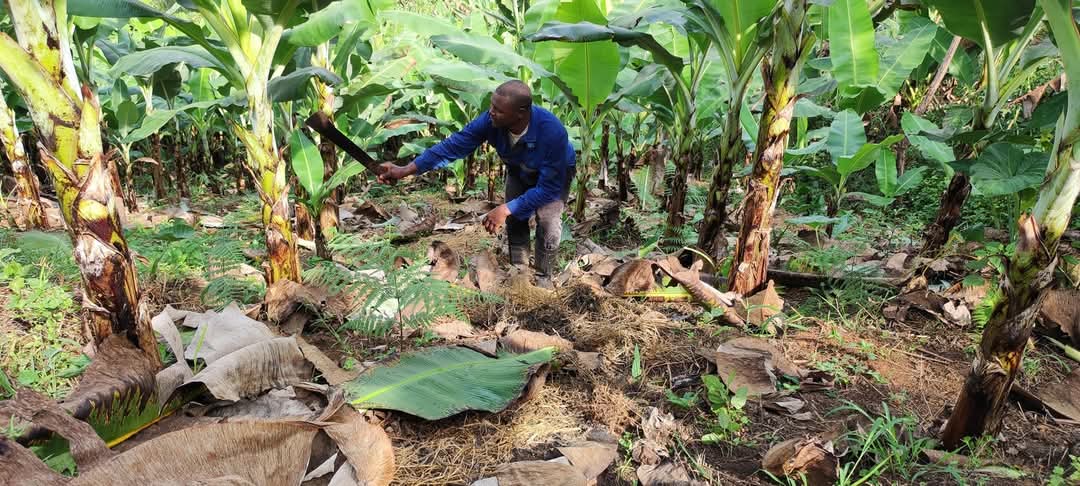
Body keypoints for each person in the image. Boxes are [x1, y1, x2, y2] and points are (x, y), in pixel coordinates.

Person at [377, 80, 576, 288]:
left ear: (521, 113)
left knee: (548, 220)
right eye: (492, 106)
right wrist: (405, 170)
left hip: (555, 173)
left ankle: (544, 278)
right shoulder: (490, 121)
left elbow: (548, 189)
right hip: (518, 167)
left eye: (498, 110)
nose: (491, 112)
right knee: (516, 218)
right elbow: (452, 146)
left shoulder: (552, 132)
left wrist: (506, 208)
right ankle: (521, 273)